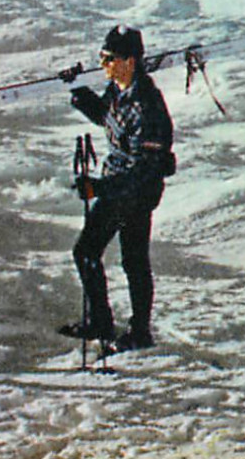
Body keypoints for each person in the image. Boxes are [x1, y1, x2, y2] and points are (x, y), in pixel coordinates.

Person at [60, 24, 174, 353]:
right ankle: (120, 326)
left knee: (97, 253)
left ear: (130, 60)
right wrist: (79, 91)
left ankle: (125, 328)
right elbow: (105, 117)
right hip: (120, 185)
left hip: (135, 191)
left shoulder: (146, 106)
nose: (104, 65)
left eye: (109, 58)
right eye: (102, 58)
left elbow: (146, 167)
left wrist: (99, 188)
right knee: (123, 259)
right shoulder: (120, 91)